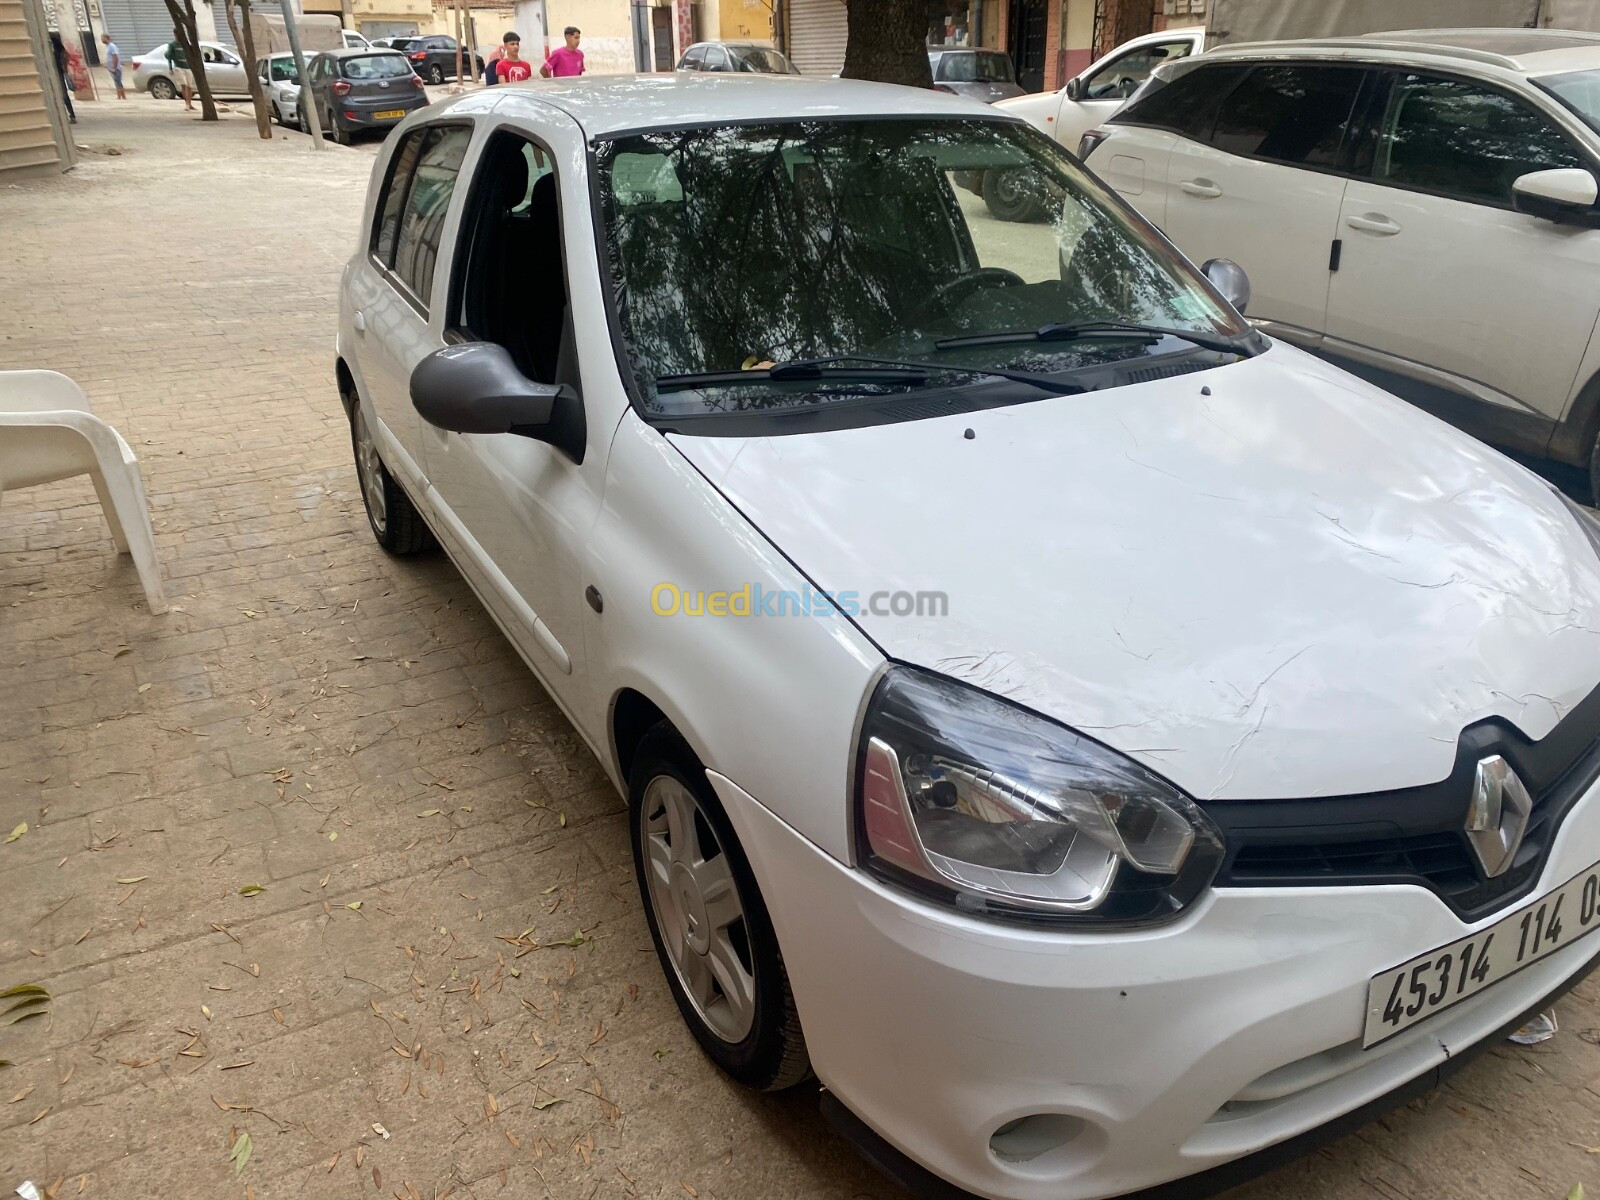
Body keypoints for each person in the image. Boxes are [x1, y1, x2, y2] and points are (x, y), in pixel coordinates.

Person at [49, 32, 75, 123]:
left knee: (64, 95)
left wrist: (64, 66)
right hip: (50, 73)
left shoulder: (56, 44)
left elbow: (67, 55)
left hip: (58, 72)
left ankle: (71, 115)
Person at [165, 32, 194, 111]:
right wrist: (170, 68)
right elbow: (169, 57)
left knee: (190, 86)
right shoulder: (172, 45)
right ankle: (187, 104)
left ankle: (190, 104)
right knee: (184, 85)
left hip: (188, 67)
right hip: (178, 67)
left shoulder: (186, 44)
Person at [101, 32, 126, 100]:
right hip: (111, 68)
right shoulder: (108, 46)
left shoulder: (112, 46)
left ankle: (121, 96)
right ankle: (121, 96)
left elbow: (115, 57)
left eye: (102, 38)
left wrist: (115, 68)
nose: (102, 40)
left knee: (118, 81)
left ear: (107, 38)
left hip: (116, 68)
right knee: (117, 82)